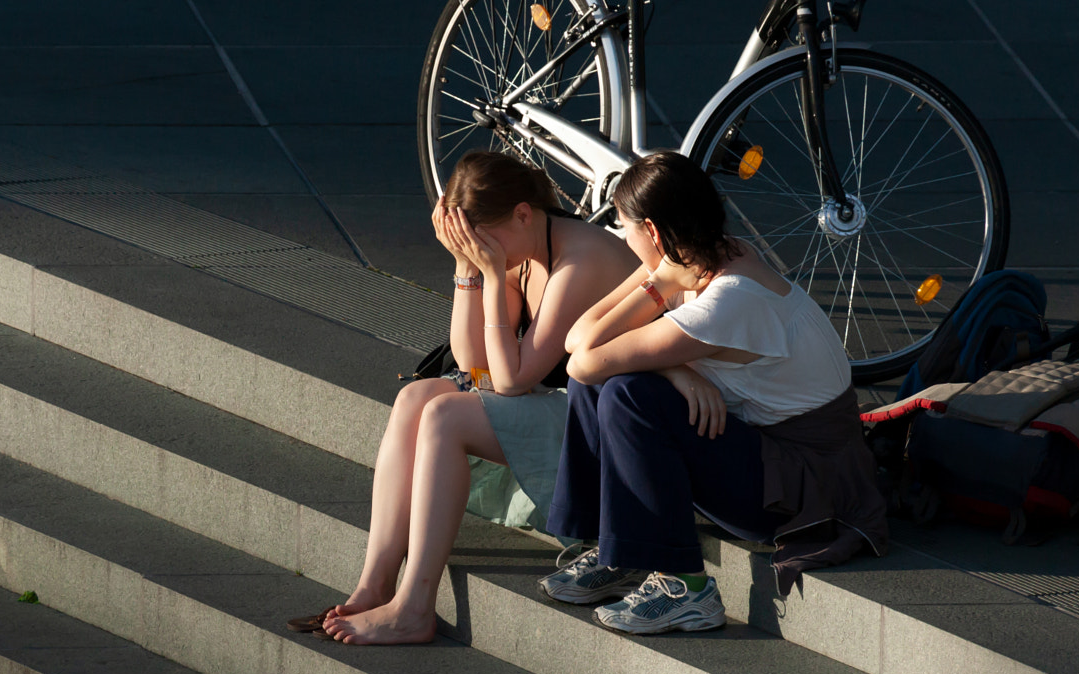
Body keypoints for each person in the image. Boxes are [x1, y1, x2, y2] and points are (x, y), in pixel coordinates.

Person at [542, 150, 887, 634]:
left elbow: (582, 358)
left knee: (627, 394)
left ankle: (687, 588)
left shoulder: (728, 300)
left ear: (655, 234)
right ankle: (619, 548)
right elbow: (579, 342)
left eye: (626, 228)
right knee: (611, 383)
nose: (624, 238)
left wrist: (659, 297)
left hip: (803, 487)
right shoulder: (716, 252)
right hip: (766, 454)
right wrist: (679, 369)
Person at [298, 151, 633, 645]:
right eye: (468, 245)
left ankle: (414, 606)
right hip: (563, 406)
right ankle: (375, 583)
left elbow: (513, 380)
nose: (480, 251)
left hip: (611, 426)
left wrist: (493, 275)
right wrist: (466, 268)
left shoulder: (579, 257)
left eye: (482, 241)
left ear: (523, 213)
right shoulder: (522, 246)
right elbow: (476, 365)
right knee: (416, 398)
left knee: (445, 417)